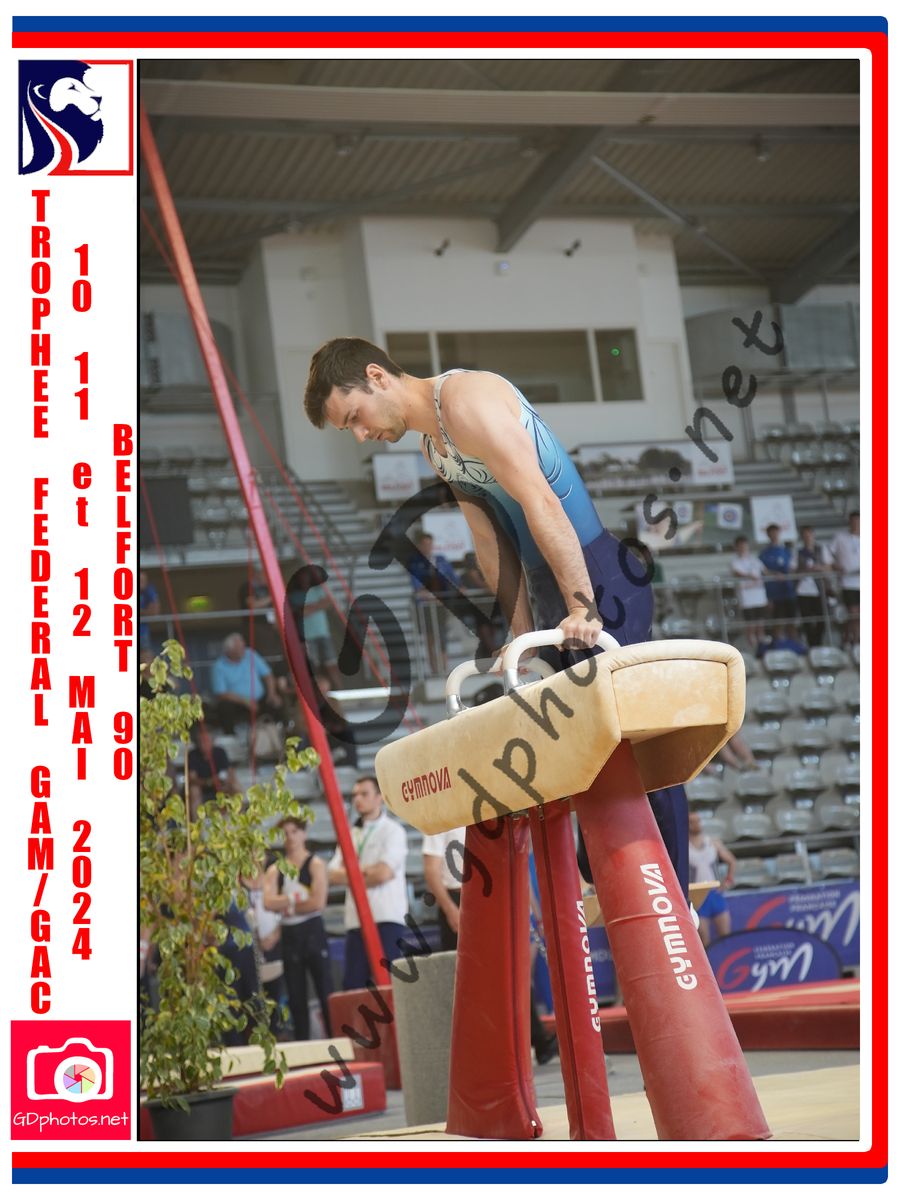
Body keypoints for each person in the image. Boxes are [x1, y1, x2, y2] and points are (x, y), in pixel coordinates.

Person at [303, 338, 689, 899]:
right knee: (584, 748)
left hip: (595, 573)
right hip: (550, 585)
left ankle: (673, 891)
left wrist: (582, 605)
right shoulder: (436, 447)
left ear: (377, 376)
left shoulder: (468, 400)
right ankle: (613, 884)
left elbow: (541, 500)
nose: (361, 435)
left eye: (355, 417)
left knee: (637, 743)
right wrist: (522, 635)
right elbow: (491, 545)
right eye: (349, 430)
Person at [327, 776, 409, 989]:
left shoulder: (393, 831)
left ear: (379, 797)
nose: (358, 799)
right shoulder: (350, 834)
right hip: (356, 920)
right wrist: (366, 871)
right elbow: (332, 875)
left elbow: (383, 873)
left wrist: (352, 871)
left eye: (364, 794)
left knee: (389, 985)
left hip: (386, 917)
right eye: (355, 795)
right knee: (353, 986)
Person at [263, 818, 332, 1040]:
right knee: (296, 996)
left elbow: (318, 903)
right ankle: (303, 1042)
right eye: (285, 833)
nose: (290, 837)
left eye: (294, 831)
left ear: (304, 834)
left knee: (325, 990)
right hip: (290, 935)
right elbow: (267, 902)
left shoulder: (315, 864)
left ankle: (336, 1039)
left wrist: (287, 905)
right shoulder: (275, 870)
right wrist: (295, 899)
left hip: (312, 931)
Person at [407, 531, 462, 675]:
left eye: (430, 544)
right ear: (419, 546)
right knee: (430, 638)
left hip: (440, 605)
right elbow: (417, 587)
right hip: (426, 607)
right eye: (425, 544)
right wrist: (428, 594)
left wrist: (457, 588)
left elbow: (453, 579)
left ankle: (444, 666)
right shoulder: (415, 563)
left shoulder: (440, 560)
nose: (428, 547)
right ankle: (434, 669)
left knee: (442, 636)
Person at [210, 632, 284, 735]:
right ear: (229, 651)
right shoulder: (219, 666)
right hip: (238, 702)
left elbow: (268, 675)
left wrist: (272, 694)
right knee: (224, 706)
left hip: (259, 698)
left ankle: (279, 732)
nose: (243, 650)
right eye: (239, 648)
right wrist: (246, 701)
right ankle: (230, 736)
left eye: (243, 647)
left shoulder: (250, 654)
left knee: (276, 701)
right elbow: (221, 694)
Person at [688, 811, 737, 948]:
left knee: (725, 936)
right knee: (704, 942)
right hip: (697, 896)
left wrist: (728, 881)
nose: (696, 824)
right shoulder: (684, 847)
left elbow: (731, 861)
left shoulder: (712, 842)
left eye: (698, 821)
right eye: (692, 822)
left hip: (715, 893)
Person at [288, 563, 341, 690]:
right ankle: (317, 691)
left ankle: (339, 690)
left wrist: (309, 608)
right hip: (307, 636)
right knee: (313, 666)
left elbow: (329, 603)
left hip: (323, 633)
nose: (305, 579)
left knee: (331, 664)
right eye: (302, 576)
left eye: (307, 576)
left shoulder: (319, 589)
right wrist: (318, 605)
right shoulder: (294, 595)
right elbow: (300, 613)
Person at [422, 826, 467, 950]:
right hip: (456, 898)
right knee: (458, 956)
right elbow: (431, 870)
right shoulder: (439, 822)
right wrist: (450, 909)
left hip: (487, 898)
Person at [187, 724, 240, 816]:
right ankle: (196, 820)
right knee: (193, 790)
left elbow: (230, 772)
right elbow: (192, 778)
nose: (204, 744)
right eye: (201, 741)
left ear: (212, 741)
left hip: (221, 786)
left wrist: (226, 783)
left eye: (207, 740)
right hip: (203, 788)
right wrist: (209, 782)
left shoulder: (220, 752)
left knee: (235, 786)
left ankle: (236, 816)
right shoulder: (193, 755)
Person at [793, 527, 831, 648]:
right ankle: (811, 644)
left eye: (809, 535)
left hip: (819, 589)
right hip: (803, 590)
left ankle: (818, 642)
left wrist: (819, 568)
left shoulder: (821, 549)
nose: (807, 538)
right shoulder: (798, 552)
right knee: (807, 619)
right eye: (805, 535)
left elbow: (829, 566)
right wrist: (804, 570)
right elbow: (792, 569)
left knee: (822, 618)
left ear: (813, 536)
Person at [731, 535, 768, 651]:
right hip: (747, 599)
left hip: (759, 597)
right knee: (751, 626)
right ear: (736, 547)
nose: (743, 548)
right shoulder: (735, 562)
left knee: (760, 624)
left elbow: (765, 571)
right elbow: (737, 573)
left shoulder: (755, 560)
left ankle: (762, 649)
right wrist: (749, 576)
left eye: (745, 546)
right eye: (740, 546)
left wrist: (778, 575)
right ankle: (753, 649)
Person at [829, 511, 860, 649]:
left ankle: (853, 639)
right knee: (853, 613)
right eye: (854, 521)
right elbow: (827, 554)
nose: (856, 524)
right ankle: (854, 640)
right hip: (848, 583)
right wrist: (835, 565)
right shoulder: (840, 537)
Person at [759, 524, 796, 637]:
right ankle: (778, 644)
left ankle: (793, 644)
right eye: (772, 533)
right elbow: (762, 571)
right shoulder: (764, 554)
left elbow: (793, 568)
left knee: (791, 622)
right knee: (778, 622)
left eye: (776, 533)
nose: (774, 535)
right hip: (774, 594)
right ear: (768, 535)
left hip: (788, 591)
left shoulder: (787, 551)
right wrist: (775, 574)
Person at [139, 569, 160, 652]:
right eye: (140, 581)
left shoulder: (148, 590)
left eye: (144, 581)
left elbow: (155, 611)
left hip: (143, 631)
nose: (142, 583)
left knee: (146, 653)